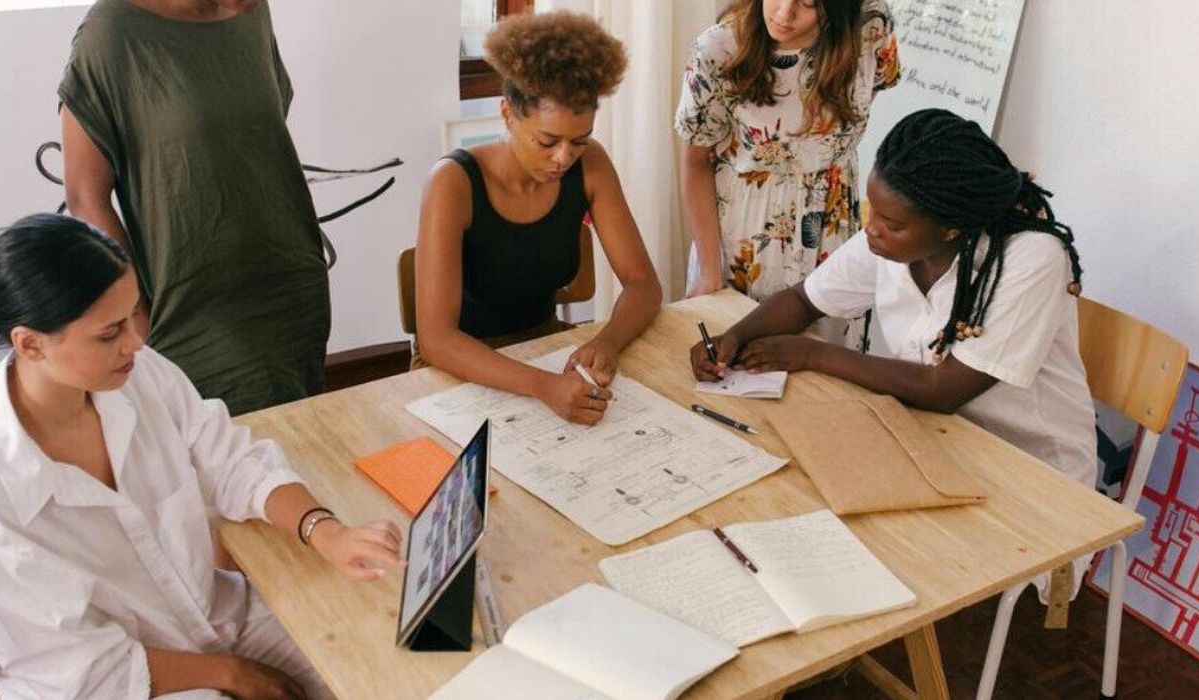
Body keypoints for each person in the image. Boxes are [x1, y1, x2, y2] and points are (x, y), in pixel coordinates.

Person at [0, 214, 402, 699]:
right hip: (112, 682)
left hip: (216, 617)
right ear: (30, 344)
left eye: (134, 314)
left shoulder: (137, 374)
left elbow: (231, 461)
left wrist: (325, 531)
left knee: (378, 659)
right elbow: (76, 664)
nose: (136, 341)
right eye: (109, 333)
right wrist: (232, 675)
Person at [691, 108, 1097, 548]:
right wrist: (734, 338)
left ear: (950, 228)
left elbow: (944, 390)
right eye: (874, 211)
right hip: (929, 439)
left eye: (892, 224)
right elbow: (803, 300)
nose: (872, 229)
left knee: (862, 540)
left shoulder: (1030, 259)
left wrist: (812, 353)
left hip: (1029, 472)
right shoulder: (891, 242)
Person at [59, 0, 329, 416]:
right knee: (225, 463)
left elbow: (254, 139)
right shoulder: (110, 34)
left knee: (302, 452)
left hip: (292, 289)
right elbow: (85, 197)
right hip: (194, 311)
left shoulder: (251, 13)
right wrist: (133, 312)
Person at [416, 11, 663, 426]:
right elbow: (437, 340)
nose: (563, 158)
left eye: (579, 141)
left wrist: (608, 341)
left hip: (544, 352)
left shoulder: (591, 166)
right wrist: (543, 386)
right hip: (459, 371)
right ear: (508, 115)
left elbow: (643, 284)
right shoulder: (453, 182)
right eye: (547, 141)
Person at [677, 0, 900, 341]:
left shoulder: (870, 26)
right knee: (734, 364)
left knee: (827, 373)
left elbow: (865, 97)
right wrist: (710, 271)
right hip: (745, 238)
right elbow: (695, 163)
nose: (784, 14)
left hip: (833, 228)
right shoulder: (719, 48)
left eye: (808, 3)